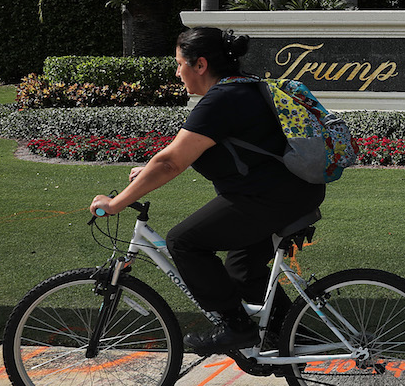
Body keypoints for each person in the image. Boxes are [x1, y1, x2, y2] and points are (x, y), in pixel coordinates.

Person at [89, 27, 326, 355]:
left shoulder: (221, 100)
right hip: (291, 192)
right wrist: (149, 170)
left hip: (270, 198)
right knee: (241, 270)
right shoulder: (243, 87)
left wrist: (115, 203)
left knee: (184, 242)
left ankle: (236, 327)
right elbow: (197, 153)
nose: (177, 72)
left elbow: (171, 162)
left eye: (179, 63)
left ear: (199, 65)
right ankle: (292, 338)